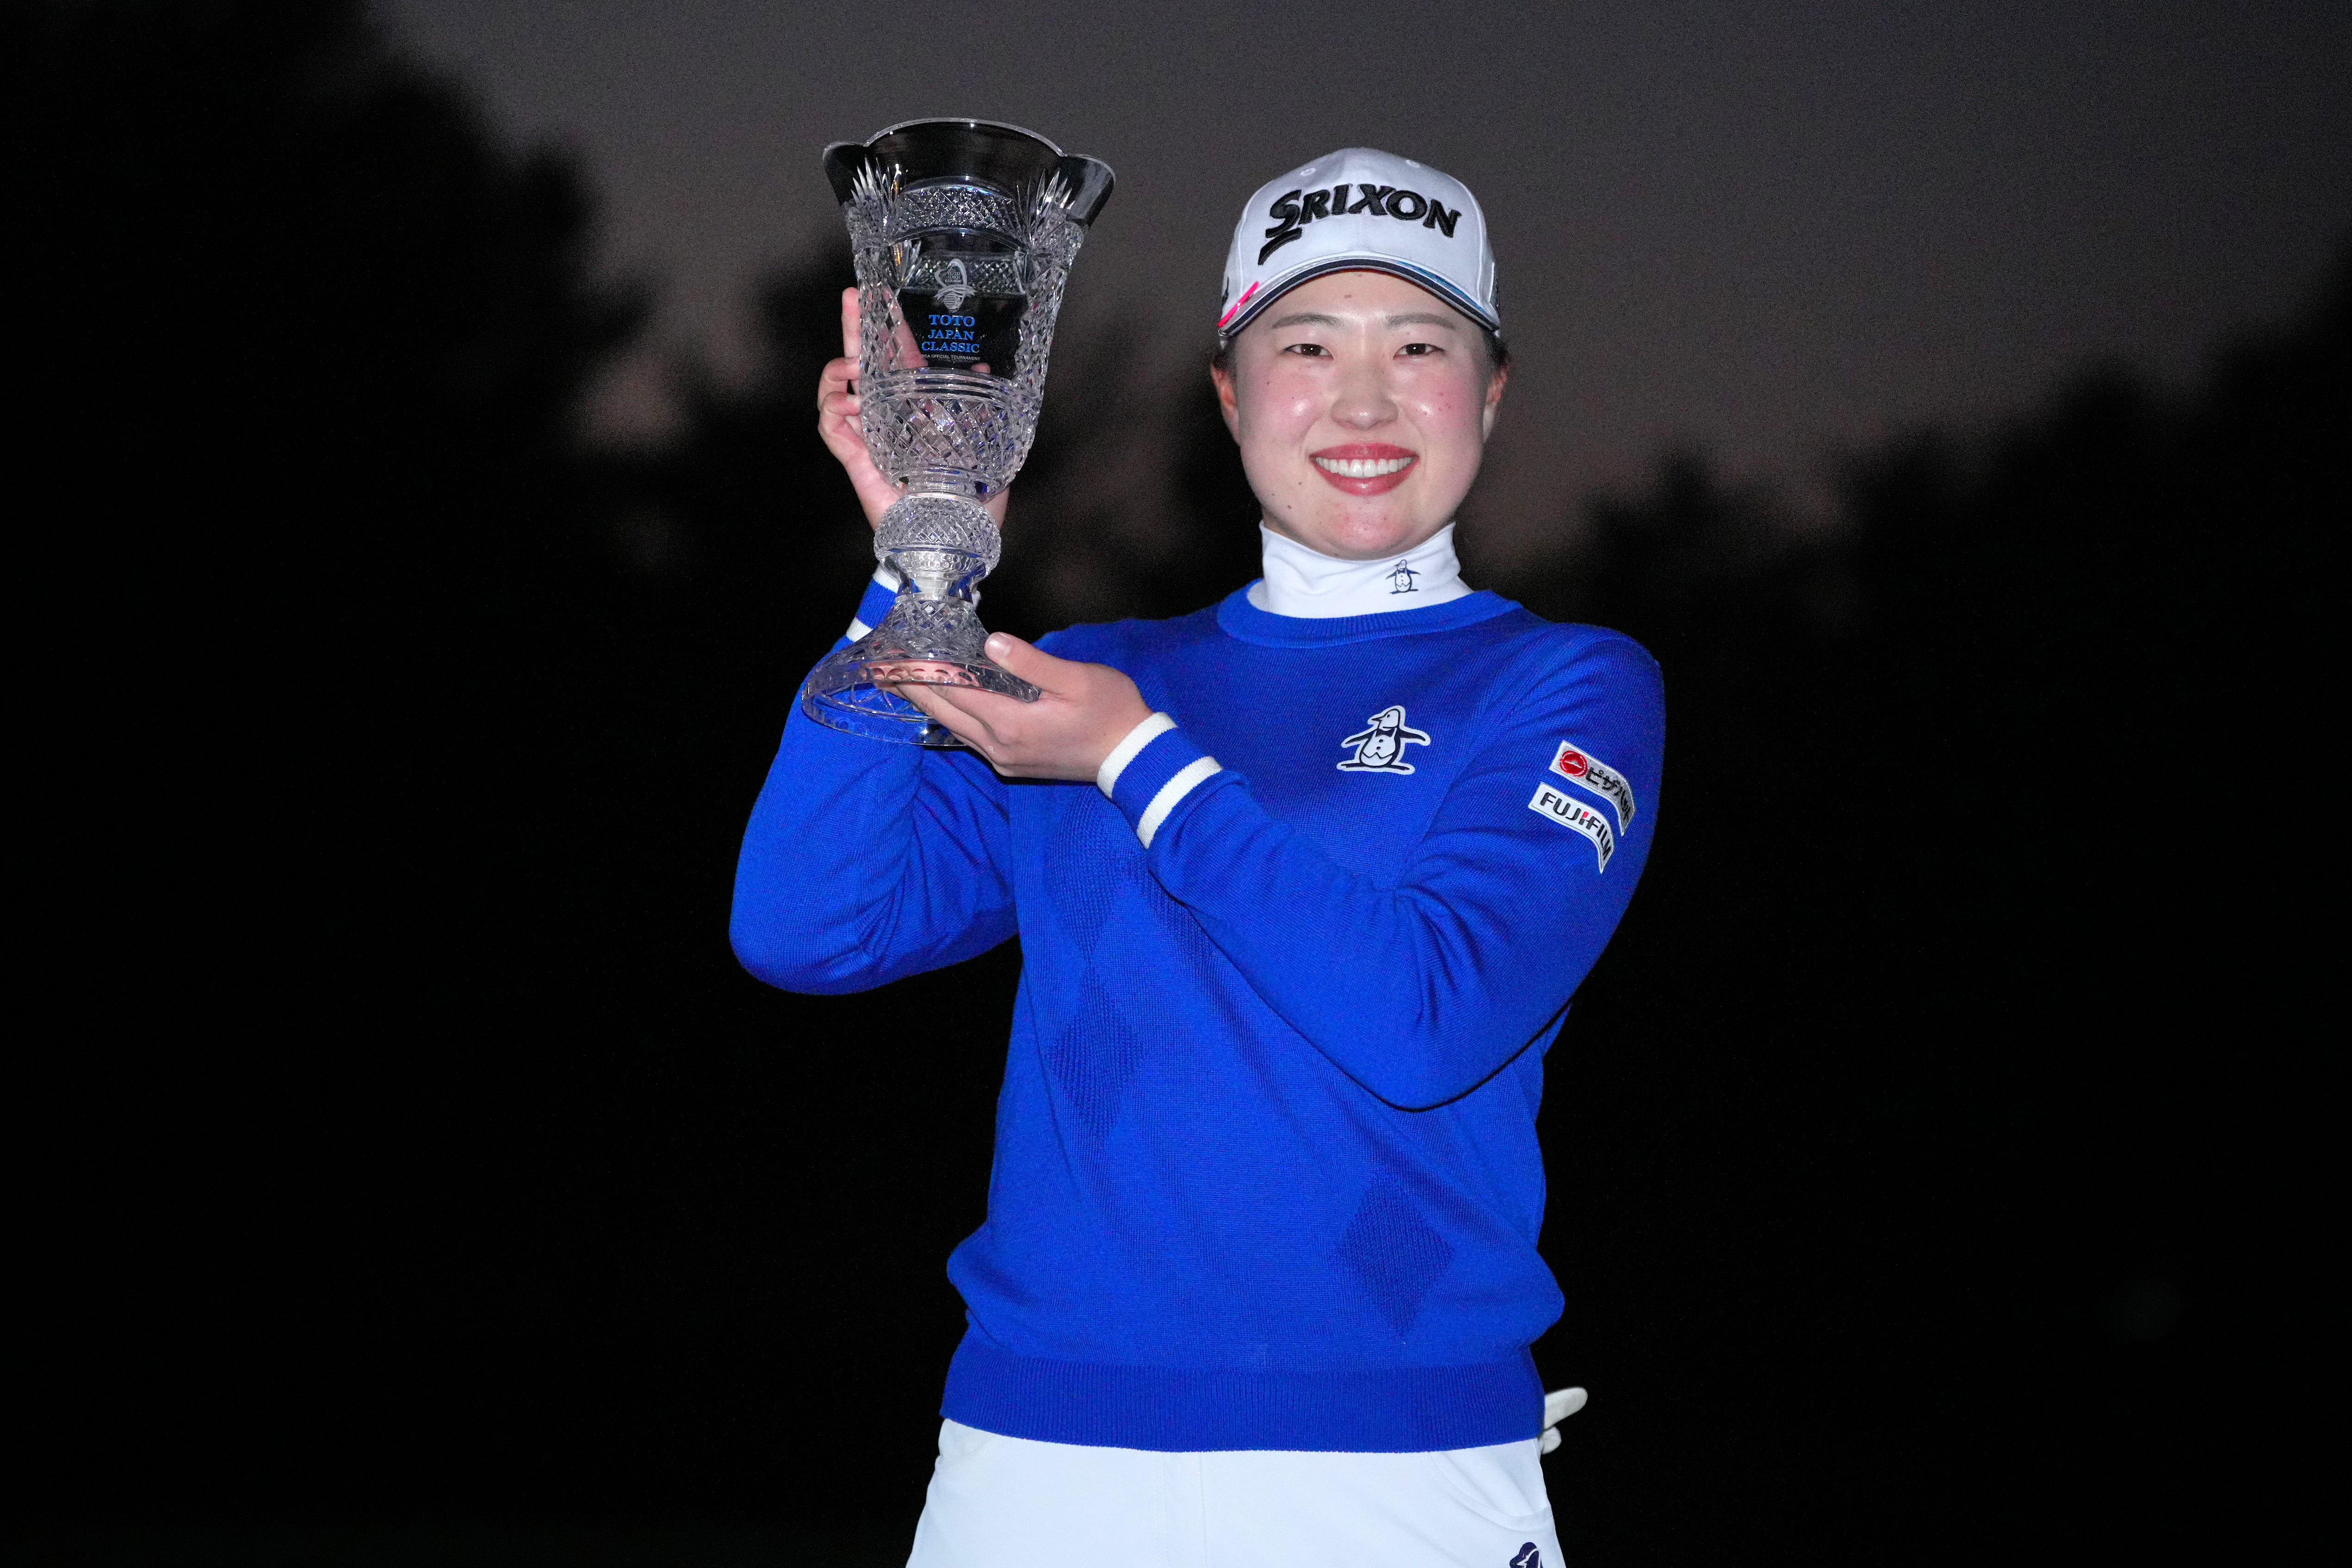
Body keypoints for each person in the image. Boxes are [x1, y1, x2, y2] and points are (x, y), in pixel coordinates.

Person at [732, 146, 1664, 1568]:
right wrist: (919, 574)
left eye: (1420, 346)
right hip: (1033, 1459)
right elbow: (811, 928)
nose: (1363, 400)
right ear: (1229, 394)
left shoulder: (1561, 686)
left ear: (1489, 391)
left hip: (1391, 1469)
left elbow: (1426, 1020)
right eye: (1307, 345)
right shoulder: (1096, 671)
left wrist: (1136, 761)